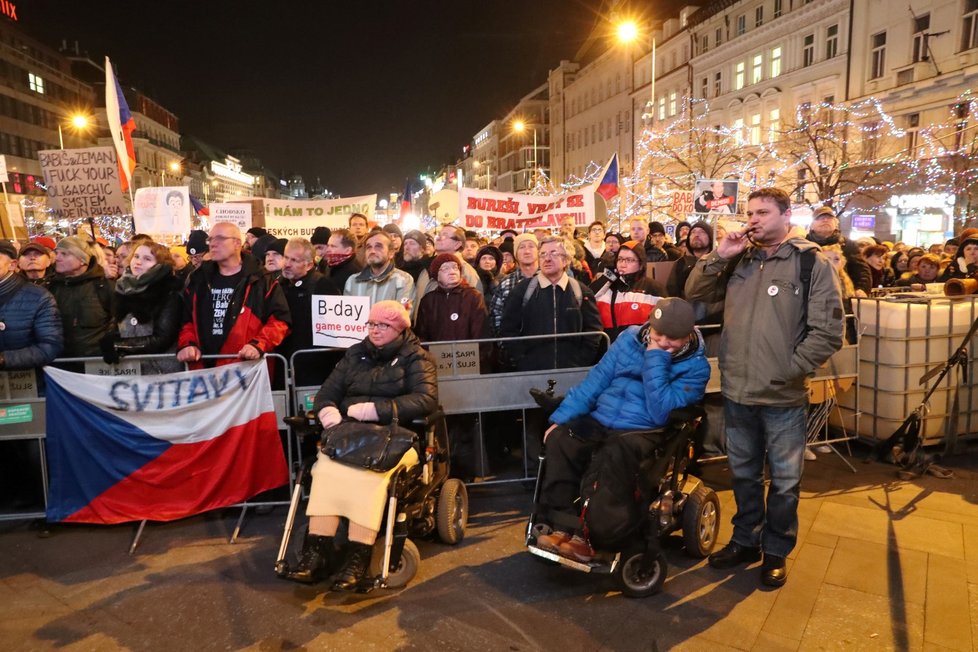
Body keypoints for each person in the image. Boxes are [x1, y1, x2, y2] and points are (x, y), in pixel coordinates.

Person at [685, 187, 843, 588]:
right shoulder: (741, 259)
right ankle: (744, 539)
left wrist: (789, 371)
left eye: (762, 213)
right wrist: (720, 256)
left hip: (783, 395)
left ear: (786, 215)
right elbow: (695, 298)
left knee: (786, 482)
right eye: (750, 212)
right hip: (738, 390)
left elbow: (827, 332)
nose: (753, 219)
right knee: (743, 475)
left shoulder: (811, 263)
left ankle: (775, 551)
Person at [534, 298, 710, 561]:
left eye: (671, 339)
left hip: (644, 428)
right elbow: (595, 381)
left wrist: (655, 359)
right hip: (603, 417)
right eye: (657, 334)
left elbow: (660, 409)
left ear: (687, 336)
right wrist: (561, 418)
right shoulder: (628, 339)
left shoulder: (696, 368)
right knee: (561, 439)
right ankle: (561, 526)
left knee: (611, 454)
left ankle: (592, 537)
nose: (662, 342)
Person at [287, 301, 437, 589]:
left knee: (369, 477)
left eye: (383, 326)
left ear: (399, 329)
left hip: (394, 437)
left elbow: (425, 400)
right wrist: (327, 410)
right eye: (371, 324)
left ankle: (358, 559)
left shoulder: (417, 358)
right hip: (351, 435)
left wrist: (376, 410)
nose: (375, 330)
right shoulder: (355, 354)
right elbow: (327, 392)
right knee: (325, 470)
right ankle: (315, 554)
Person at [176, 223, 291, 367]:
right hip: (204, 371)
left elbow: (280, 321)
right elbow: (185, 320)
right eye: (210, 240)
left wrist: (259, 344)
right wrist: (187, 343)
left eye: (220, 239)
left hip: (247, 370)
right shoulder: (198, 279)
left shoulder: (261, 280)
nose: (213, 244)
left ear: (237, 243)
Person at [498, 236, 603, 371]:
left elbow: (593, 331)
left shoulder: (582, 292)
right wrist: (522, 359)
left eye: (553, 253)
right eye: (542, 254)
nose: (547, 259)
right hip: (531, 372)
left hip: (572, 371)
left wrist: (581, 360)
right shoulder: (522, 290)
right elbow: (508, 328)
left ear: (566, 260)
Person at [100, 241, 183, 374]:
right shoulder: (123, 288)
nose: (138, 262)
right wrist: (110, 338)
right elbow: (117, 322)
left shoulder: (169, 292)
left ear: (160, 265)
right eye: (136, 256)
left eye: (147, 259)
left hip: (162, 372)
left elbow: (162, 339)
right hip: (131, 371)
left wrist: (120, 345)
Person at [47, 236, 115, 358]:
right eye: (57, 253)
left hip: (96, 361)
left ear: (82, 259)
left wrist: (112, 344)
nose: (57, 258)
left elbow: (117, 321)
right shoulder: (49, 287)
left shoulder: (104, 287)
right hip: (58, 363)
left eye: (64, 254)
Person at [276, 238, 339, 365]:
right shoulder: (278, 284)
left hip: (313, 362)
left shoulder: (323, 286)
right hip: (282, 360)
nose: (287, 264)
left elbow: (334, 330)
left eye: (294, 260)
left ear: (309, 265)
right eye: (286, 257)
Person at [590, 240, 666, 342]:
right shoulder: (608, 285)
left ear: (641, 264)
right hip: (609, 349)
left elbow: (664, 324)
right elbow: (587, 299)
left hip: (641, 348)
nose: (623, 264)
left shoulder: (654, 288)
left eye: (629, 260)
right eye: (620, 259)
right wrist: (607, 277)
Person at [806, 207, 872, 295]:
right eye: (819, 218)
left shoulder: (848, 245)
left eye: (829, 218)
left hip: (841, 296)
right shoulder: (804, 245)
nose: (825, 220)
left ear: (836, 224)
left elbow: (861, 270)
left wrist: (861, 289)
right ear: (811, 225)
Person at [343, 230, 414, 306]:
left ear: (391, 253)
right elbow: (347, 314)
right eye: (369, 247)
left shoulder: (404, 280)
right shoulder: (352, 281)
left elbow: (404, 313)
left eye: (378, 246)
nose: (372, 251)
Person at [488, 233, 538, 336]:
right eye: (522, 247)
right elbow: (496, 315)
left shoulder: (549, 280)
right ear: (516, 254)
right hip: (515, 345)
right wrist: (504, 343)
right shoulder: (506, 283)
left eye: (531, 246)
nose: (527, 251)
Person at [667, 220, 713, 299]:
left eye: (702, 232)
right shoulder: (681, 263)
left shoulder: (716, 262)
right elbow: (672, 291)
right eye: (693, 232)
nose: (697, 235)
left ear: (710, 237)